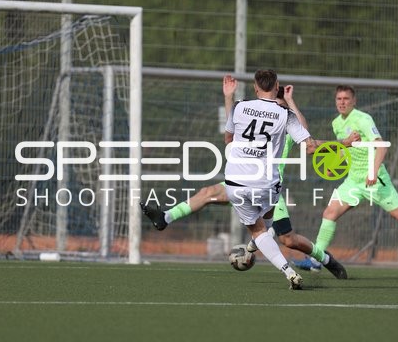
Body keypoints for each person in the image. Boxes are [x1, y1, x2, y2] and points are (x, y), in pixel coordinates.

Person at [140, 76, 351, 280]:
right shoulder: (254, 116)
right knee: (208, 193)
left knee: (288, 239)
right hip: (243, 179)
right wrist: (228, 96)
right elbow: (231, 129)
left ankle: (324, 258)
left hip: (268, 188)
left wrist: (291, 102)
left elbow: (310, 141)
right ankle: (164, 217)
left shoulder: (285, 124)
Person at [311, 85, 398, 265]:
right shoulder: (336, 123)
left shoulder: (363, 119)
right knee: (330, 213)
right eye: (339, 99)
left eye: (346, 99)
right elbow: (345, 148)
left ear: (354, 101)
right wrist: (334, 164)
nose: (342, 102)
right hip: (353, 180)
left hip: (374, 181)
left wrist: (373, 171)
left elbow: (382, 145)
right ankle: (317, 259)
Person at [222, 69, 320, 289]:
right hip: (267, 183)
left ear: (255, 88)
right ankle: (253, 249)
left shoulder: (239, 106)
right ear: (277, 88)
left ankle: (287, 270)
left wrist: (228, 97)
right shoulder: (285, 114)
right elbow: (310, 146)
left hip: (236, 181)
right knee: (265, 223)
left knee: (259, 231)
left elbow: (228, 138)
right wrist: (338, 146)